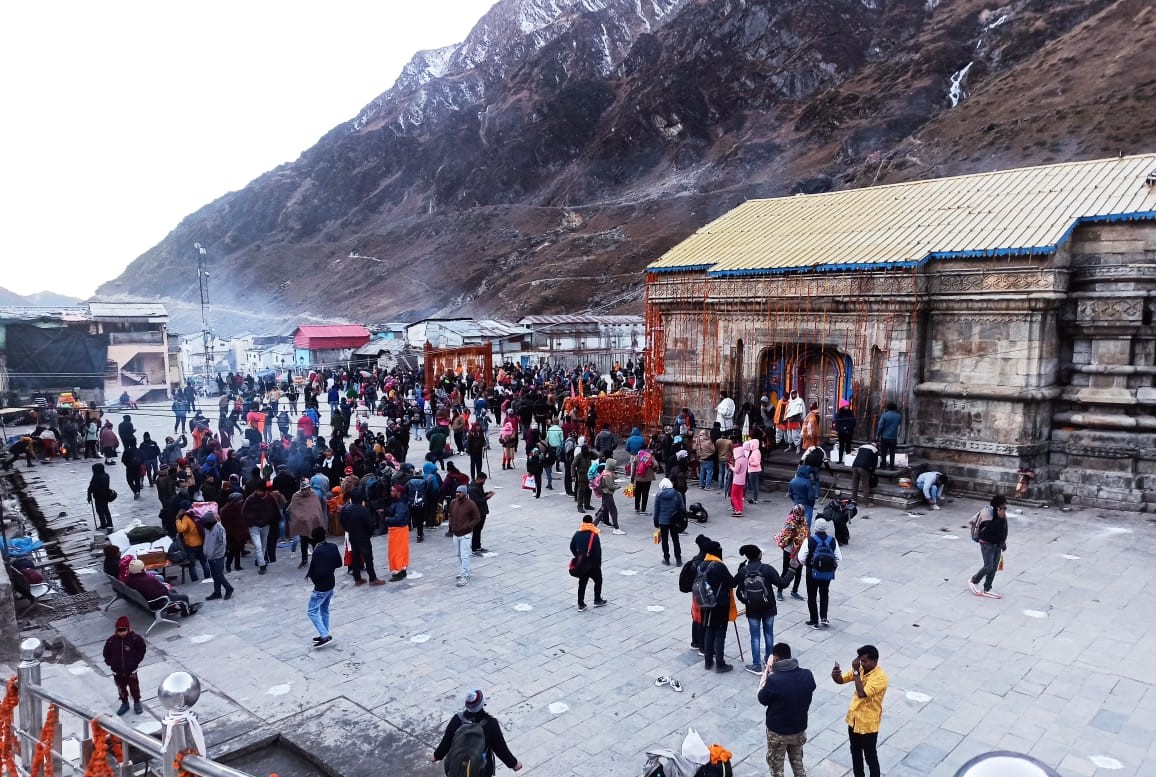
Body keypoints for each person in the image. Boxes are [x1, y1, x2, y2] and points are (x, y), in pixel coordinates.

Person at [432, 689, 523, 776]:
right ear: (483, 703)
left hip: (456, 769)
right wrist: (514, 764)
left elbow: (446, 742)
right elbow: (501, 749)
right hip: (481, 771)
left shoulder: (457, 720)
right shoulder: (490, 723)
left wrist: (436, 756)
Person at [758, 643, 816, 777]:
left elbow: (762, 698)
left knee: (776, 766)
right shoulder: (807, 675)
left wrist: (768, 673)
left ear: (776, 660)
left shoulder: (774, 680)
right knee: (797, 762)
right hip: (798, 729)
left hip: (778, 733)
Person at [831, 645, 889, 777]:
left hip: (868, 724)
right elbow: (841, 680)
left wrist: (856, 671)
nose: (862, 664)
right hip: (854, 720)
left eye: (865, 661)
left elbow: (862, 693)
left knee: (870, 756)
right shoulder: (861, 669)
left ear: (874, 661)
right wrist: (835, 675)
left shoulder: (880, 677)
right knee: (855, 752)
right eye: (861, 661)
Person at [736, 544, 787, 674]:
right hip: (768, 608)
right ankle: (769, 661)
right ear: (759, 555)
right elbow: (782, 583)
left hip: (752, 610)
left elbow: (736, 589)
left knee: (755, 637)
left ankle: (756, 665)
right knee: (769, 634)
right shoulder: (767, 569)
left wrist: (746, 601)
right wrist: (792, 570)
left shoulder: (743, 571)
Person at [698, 540, 736, 673]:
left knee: (709, 631)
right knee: (720, 633)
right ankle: (720, 664)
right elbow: (732, 582)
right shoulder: (719, 566)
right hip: (720, 605)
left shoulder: (702, 565)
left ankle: (708, 662)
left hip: (705, 603)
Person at [797, 518, 841, 629]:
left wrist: (808, 565)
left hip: (812, 572)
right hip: (827, 573)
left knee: (812, 595)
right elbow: (839, 558)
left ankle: (814, 621)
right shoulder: (832, 540)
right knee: (824, 593)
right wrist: (832, 567)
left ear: (815, 528)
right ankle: (824, 617)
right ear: (826, 528)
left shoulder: (809, 540)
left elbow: (801, 558)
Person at [305, 526, 341, 648]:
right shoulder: (333, 546)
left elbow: (317, 571)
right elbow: (339, 563)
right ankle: (324, 633)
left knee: (312, 610)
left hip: (321, 586)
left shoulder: (317, 551)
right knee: (324, 609)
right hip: (331, 582)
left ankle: (324, 635)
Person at [123, 559, 199, 617]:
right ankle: (186, 612)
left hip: (145, 601)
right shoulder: (147, 579)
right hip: (156, 602)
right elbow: (159, 593)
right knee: (184, 598)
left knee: (173, 591)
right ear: (141, 569)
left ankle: (171, 609)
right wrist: (165, 587)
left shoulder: (129, 579)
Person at [103, 616, 146, 715]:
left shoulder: (135, 639)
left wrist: (136, 661)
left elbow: (142, 649)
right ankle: (124, 703)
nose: (122, 632)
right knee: (121, 688)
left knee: (134, 687)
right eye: (119, 630)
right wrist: (110, 662)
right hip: (117, 671)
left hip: (131, 670)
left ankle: (137, 702)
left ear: (128, 628)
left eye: (124, 630)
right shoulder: (111, 641)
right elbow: (106, 653)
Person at [969, 494, 1009, 598]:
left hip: (998, 544)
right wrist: (999, 518)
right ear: (997, 506)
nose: (1004, 509)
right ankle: (974, 580)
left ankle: (987, 588)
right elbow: (988, 532)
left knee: (994, 567)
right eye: (1003, 506)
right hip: (987, 544)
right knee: (988, 566)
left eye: (1005, 507)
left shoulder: (1002, 514)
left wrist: (1003, 543)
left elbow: (1004, 530)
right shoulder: (987, 515)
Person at [341, 489, 384, 586]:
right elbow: (370, 525)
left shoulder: (345, 508)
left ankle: (357, 579)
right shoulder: (363, 510)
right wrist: (368, 534)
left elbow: (342, 522)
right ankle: (372, 578)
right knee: (368, 558)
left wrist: (349, 530)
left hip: (352, 536)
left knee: (355, 557)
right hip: (363, 537)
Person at [570, 514, 605, 611]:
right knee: (598, 581)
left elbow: (572, 547)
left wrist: (578, 556)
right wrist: (598, 564)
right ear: (591, 522)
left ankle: (581, 604)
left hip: (582, 564)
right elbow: (598, 551)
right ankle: (597, 600)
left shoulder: (577, 533)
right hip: (593, 564)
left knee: (582, 584)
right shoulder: (594, 534)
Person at [448, 485, 481, 586]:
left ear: (465, 493)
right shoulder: (453, 502)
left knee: (465, 555)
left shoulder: (471, 504)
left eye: (460, 492)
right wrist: (451, 524)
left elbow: (477, 518)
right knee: (459, 554)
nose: (458, 493)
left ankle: (464, 576)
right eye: (457, 492)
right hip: (456, 533)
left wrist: (468, 526)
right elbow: (449, 514)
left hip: (465, 535)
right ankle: (464, 570)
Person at [243, 483, 279, 574]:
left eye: (261, 491)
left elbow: (273, 511)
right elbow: (244, 513)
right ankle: (262, 565)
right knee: (258, 546)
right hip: (254, 526)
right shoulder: (250, 500)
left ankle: (260, 561)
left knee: (263, 545)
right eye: (258, 491)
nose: (259, 492)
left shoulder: (269, 498)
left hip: (265, 526)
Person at [289, 479, 326, 568]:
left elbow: (317, 508)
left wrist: (315, 518)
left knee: (315, 543)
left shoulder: (313, 495)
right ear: (301, 489)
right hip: (303, 525)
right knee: (303, 543)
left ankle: (317, 559)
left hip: (313, 524)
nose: (307, 491)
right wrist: (301, 518)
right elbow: (294, 510)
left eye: (308, 488)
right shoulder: (296, 497)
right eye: (305, 489)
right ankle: (304, 560)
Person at [774, 507, 808, 602]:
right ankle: (780, 591)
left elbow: (806, 532)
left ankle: (794, 591)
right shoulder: (789, 521)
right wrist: (792, 533)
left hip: (800, 550)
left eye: (802, 514)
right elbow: (785, 536)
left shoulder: (804, 521)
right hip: (789, 549)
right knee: (785, 570)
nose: (800, 516)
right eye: (799, 514)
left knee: (799, 571)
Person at [201, 509, 235, 601]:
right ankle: (217, 592)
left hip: (217, 556)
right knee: (215, 575)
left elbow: (222, 543)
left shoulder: (219, 529)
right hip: (210, 556)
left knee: (219, 575)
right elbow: (207, 541)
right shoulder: (207, 528)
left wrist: (216, 553)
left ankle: (229, 588)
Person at [651, 478, 684, 566]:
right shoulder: (677, 494)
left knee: (664, 541)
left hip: (663, 521)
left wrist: (655, 521)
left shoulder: (659, 495)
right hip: (674, 521)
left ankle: (667, 559)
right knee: (675, 540)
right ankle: (678, 559)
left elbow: (656, 509)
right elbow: (682, 508)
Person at [385, 485, 412, 581]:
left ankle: (399, 571)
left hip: (398, 530)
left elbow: (398, 518)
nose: (391, 492)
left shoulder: (400, 504)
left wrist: (387, 519)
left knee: (396, 552)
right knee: (402, 551)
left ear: (398, 493)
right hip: (401, 529)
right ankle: (402, 569)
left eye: (393, 491)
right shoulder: (401, 502)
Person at [175, 509, 210, 582]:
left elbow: (181, 529)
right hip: (200, 543)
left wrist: (178, 519)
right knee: (204, 562)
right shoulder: (195, 515)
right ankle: (208, 577)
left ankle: (195, 580)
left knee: (192, 565)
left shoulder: (186, 518)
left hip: (191, 545)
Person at [594, 458, 624, 534]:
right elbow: (610, 486)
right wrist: (618, 486)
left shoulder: (606, 472)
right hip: (607, 494)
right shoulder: (607, 475)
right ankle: (616, 528)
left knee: (603, 510)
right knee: (613, 511)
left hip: (605, 494)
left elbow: (613, 477)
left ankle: (593, 526)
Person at [468, 472, 494, 556]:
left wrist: (486, 494)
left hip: (482, 511)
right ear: (480, 479)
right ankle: (474, 549)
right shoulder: (472, 488)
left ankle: (478, 546)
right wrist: (487, 497)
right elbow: (477, 502)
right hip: (478, 512)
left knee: (479, 530)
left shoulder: (478, 486)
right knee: (476, 530)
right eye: (484, 480)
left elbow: (480, 496)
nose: (484, 482)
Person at [850, 442, 878, 508]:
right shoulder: (875, 450)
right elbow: (874, 463)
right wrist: (872, 473)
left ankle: (853, 501)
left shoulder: (861, 447)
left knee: (854, 484)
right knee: (865, 485)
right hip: (864, 467)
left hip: (855, 466)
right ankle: (866, 503)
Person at [87, 462, 115, 530]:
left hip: (98, 496)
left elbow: (92, 487)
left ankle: (103, 524)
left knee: (99, 511)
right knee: (106, 510)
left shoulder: (96, 477)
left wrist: (89, 496)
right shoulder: (106, 475)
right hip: (105, 495)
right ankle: (109, 523)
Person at [875, 402, 901, 469]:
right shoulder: (898, 416)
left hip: (884, 437)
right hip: (893, 437)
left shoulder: (884, 415)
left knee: (884, 452)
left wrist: (877, 435)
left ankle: (883, 465)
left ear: (887, 408)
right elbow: (899, 426)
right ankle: (892, 466)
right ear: (895, 408)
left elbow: (880, 427)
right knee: (892, 453)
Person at [728, 443, 749, 517]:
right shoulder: (745, 459)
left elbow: (736, 470)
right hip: (742, 480)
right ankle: (740, 508)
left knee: (733, 496)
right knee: (740, 496)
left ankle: (737, 510)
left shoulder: (738, 460)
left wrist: (731, 467)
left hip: (736, 480)